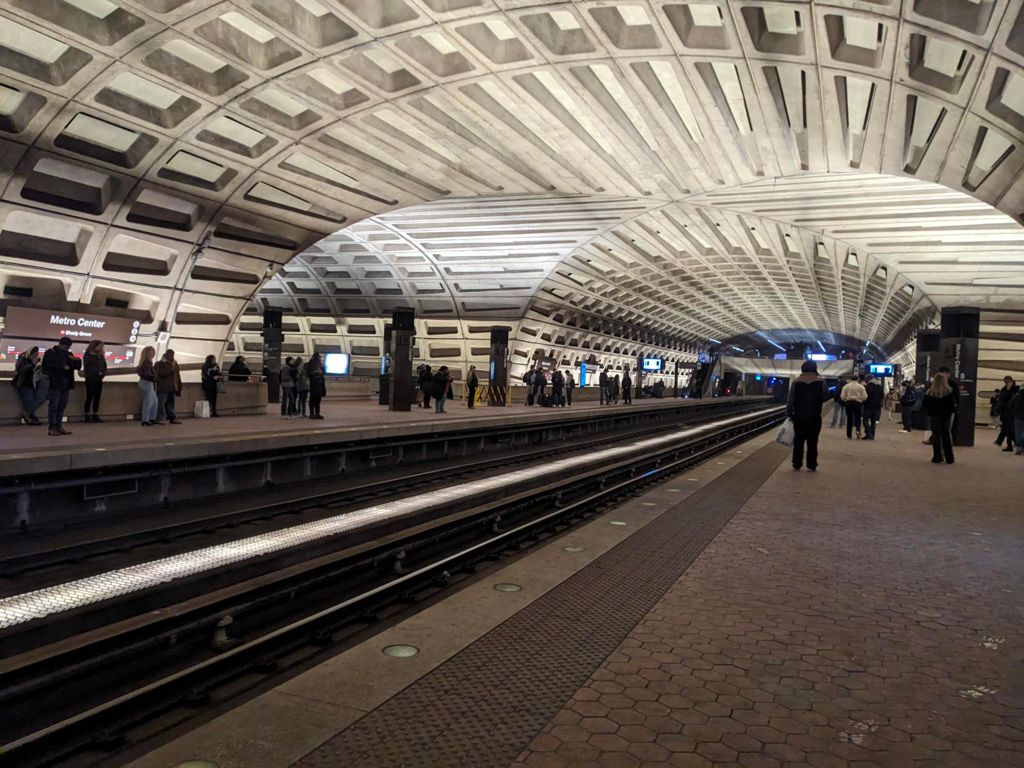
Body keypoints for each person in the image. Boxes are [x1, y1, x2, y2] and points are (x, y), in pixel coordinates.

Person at [787, 360, 828, 471]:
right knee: (813, 442)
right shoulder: (822, 382)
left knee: (798, 441)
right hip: (815, 417)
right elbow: (825, 397)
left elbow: (790, 400)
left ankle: (797, 463)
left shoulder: (796, 382)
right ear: (815, 368)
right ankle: (812, 464)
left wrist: (789, 413)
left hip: (799, 417)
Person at [41, 337, 81, 436]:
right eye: (65, 346)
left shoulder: (69, 354)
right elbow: (46, 365)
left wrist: (77, 360)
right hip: (55, 382)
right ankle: (52, 427)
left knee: (62, 406)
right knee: (54, 406)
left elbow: (77, 367)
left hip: (66, 383)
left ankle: (59, 426)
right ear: (61, 344)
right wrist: (62, 367)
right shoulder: (51, 353)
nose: (66, 349)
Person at [923, 373, 957, 464]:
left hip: (934, 416)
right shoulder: (949, 392)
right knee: (946, 436)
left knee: (936, 436)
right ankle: (949, 458)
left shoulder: (929, 392)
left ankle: (937, 457)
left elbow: (925, 405)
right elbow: (952, 406)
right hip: (946, 417)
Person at [13, 346, 44, 425]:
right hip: (24, 383)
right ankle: (31, 418)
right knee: (29, 401)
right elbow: (20, 370)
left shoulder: (36, 360)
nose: (35, 355)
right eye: (34, 354)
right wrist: (32, 365)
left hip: (33, 383)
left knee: (35, 400)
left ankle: (30, 417)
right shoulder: (23, 358)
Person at [154, 349, 183, 424]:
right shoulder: (159, 363)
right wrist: (171, 370)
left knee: (170, 403)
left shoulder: (174, 363)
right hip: (163, 386)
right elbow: (161, 373)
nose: (172, 356)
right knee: (161, 403)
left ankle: (172, 417)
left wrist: (179, 385)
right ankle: (160, 418)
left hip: (172, 387)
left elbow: (177, 375)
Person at [81, 339, 107, 423]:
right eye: (99, 346)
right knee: (90, 396)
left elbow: (104, 365)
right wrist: (94, 373)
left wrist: (103, 373)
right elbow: (87, 367)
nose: (101, 348)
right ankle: (87, 414)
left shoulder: (101, 356)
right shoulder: (88, 355)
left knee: (97, 397)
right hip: (90, 378)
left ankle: (95, 414)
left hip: (99, 378)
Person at [994, 376, 1020, 452]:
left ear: (1012, 381)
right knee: (1007, 430)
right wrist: (997, 411)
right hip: (1005, 413)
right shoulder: (1004, 389)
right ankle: (1010, 445)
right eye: (1005, 382)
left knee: (1011, 430)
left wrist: (1009, 390)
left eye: (1008, 381)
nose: (1007, 383)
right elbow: (1001, 400)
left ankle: (1016, 444)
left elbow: (1015, 399)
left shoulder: (1017, 389)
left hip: (1014, 413)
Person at [137, 345, 158, 426]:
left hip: (146, 382)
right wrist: (154, 377)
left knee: (154, 401)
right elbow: (148, 374)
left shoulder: (145, 362)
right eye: (152, 352)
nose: (153, 354)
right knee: (149, 401)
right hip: (147, 382)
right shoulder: (147, 363)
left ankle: (151, 418)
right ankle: (145, 420)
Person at [862, 374, 883, 440]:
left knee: (865, 419)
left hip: (868, 405)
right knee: (873, 420)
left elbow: (865, 396)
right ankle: (872, 435)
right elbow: (882, 396)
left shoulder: (867, 387)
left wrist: (863, 402)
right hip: (876, 406)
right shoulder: (879, 386)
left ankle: (868, 433)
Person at [305, 353, 326, 419]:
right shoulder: (310, 364)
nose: (320, 358)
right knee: (313, 399)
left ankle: (317, 413)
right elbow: (309, 374)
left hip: (320, 384)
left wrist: (321, 372)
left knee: (318, 399)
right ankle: (312, 413)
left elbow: (323, 372)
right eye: (319, 357)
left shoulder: (320, 364)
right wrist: (315, 372)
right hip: (314, 384)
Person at [1009, 387, 1024, 455]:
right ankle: (1022, 447)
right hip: (1019, 416)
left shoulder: (1017, 395)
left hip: (1018, 416)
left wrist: (1014, 412)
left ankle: (1019, 448)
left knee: (1018, 433)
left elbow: (1010, 404)